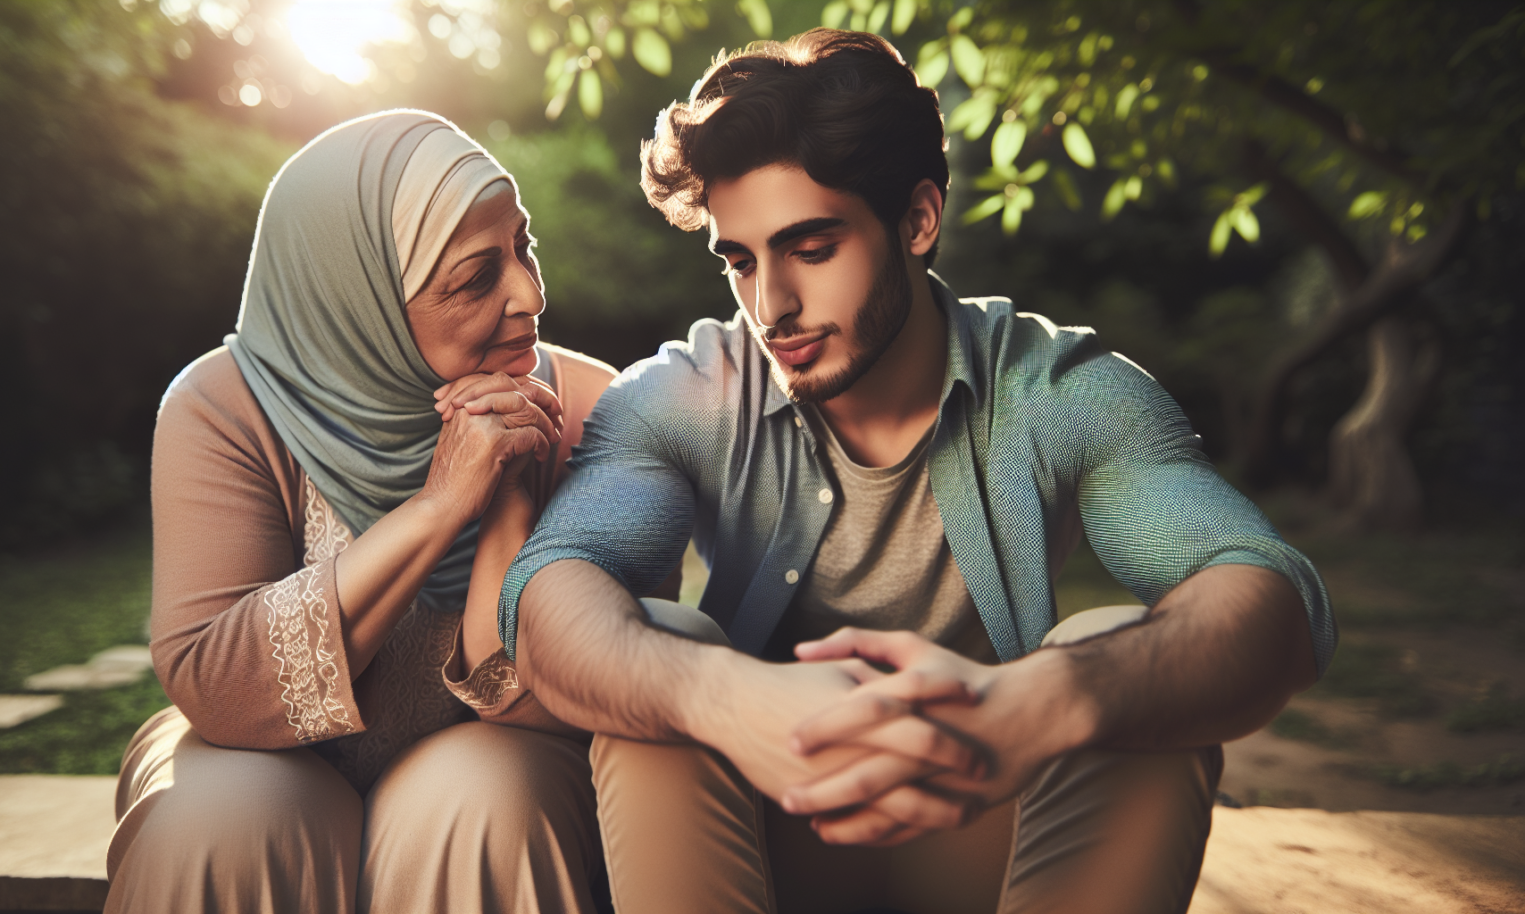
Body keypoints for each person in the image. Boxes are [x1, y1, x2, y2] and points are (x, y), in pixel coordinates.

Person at [496, 30, 1336, 914]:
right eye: (741, 261)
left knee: (1114, 666)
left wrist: (1040, 701)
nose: (770, 305)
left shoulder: (1057, 392)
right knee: (660, 670)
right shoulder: (682, 395)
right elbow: (551, 599)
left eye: (811, 248)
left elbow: (1268, 599)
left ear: (918, 220)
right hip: (774, 833)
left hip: (987, 827)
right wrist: (722, 696)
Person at [105, 111, 751, 914]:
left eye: (525, 246)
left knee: (488, 805)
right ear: (359, 296)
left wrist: (509, 507)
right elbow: (217, 686)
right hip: (249, 756)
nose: (530, 293)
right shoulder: (226, 408)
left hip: (502, 750)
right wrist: (441, 505)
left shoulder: (597, 408)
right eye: (477, 277)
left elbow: (567, 693)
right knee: (220, 822)